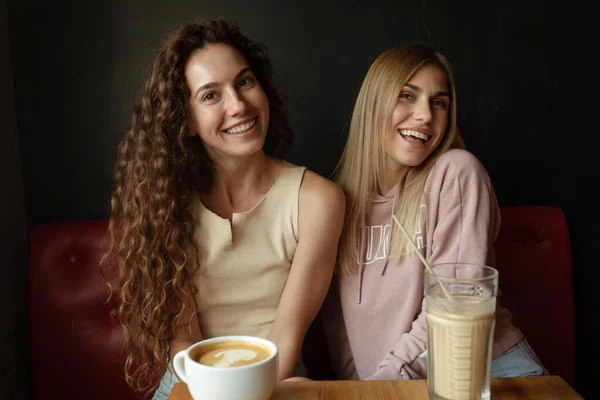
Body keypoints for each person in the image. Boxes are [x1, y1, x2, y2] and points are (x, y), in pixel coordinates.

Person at [105, 18, 345, 399]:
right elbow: (184, 342)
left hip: (276, 379)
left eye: (244, 81)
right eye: (210, 95)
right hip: (191, 382)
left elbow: (287, 338)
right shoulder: (166, 205)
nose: (238, 105)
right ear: (185, 121)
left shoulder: (318, 200)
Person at [322, 43, 547, 381]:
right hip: (399, 387)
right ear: (373, 104)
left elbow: (457, 310)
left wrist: (383, 386)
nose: (426, 115)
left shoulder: (456, 173)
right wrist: (363, 390)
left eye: (438, 102)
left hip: (490, 375)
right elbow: (340, 335)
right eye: (407, 95)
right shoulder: (334, 199)